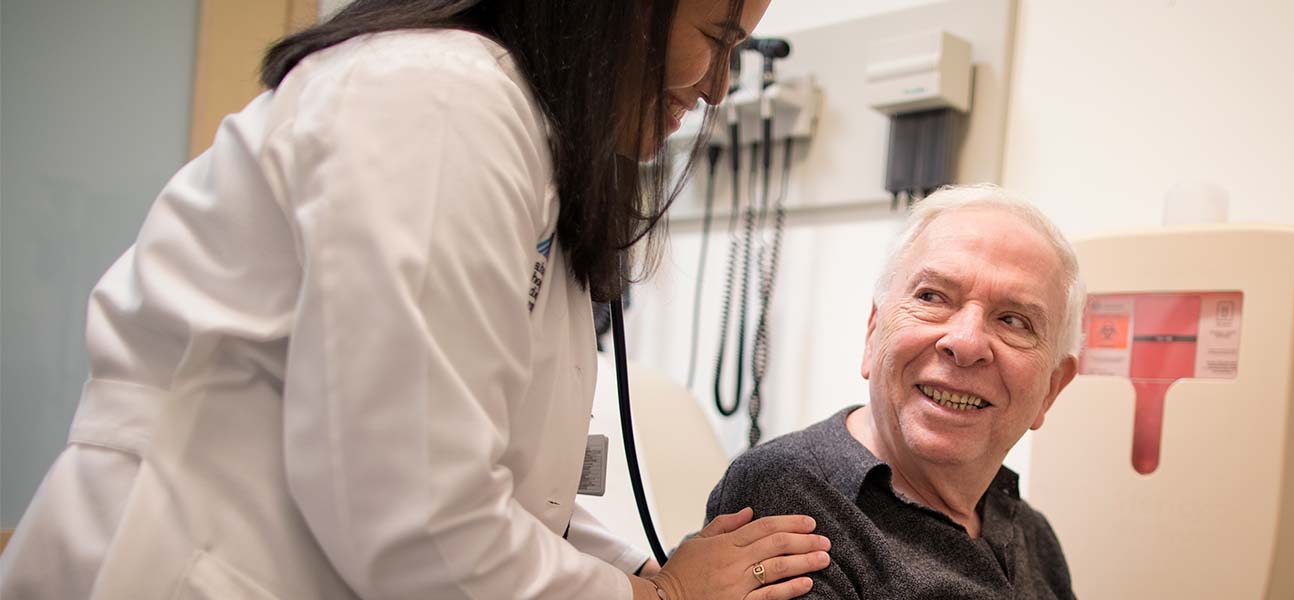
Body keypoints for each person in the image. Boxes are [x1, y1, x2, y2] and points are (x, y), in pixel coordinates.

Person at [0, 1, 833, 598]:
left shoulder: (527, 151)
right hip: (194, 563)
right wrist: (663, 599)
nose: (723, 86)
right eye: (719, 39)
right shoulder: (441, 98)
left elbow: (507, 493)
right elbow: (417, 515)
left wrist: (636, 571)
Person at [704, 185, 1082, 598]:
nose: (966, 343)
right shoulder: (790, 499)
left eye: (1013, 321)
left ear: (1052, 389)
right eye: (932, 296)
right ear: (872, 334)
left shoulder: (1035, 538)